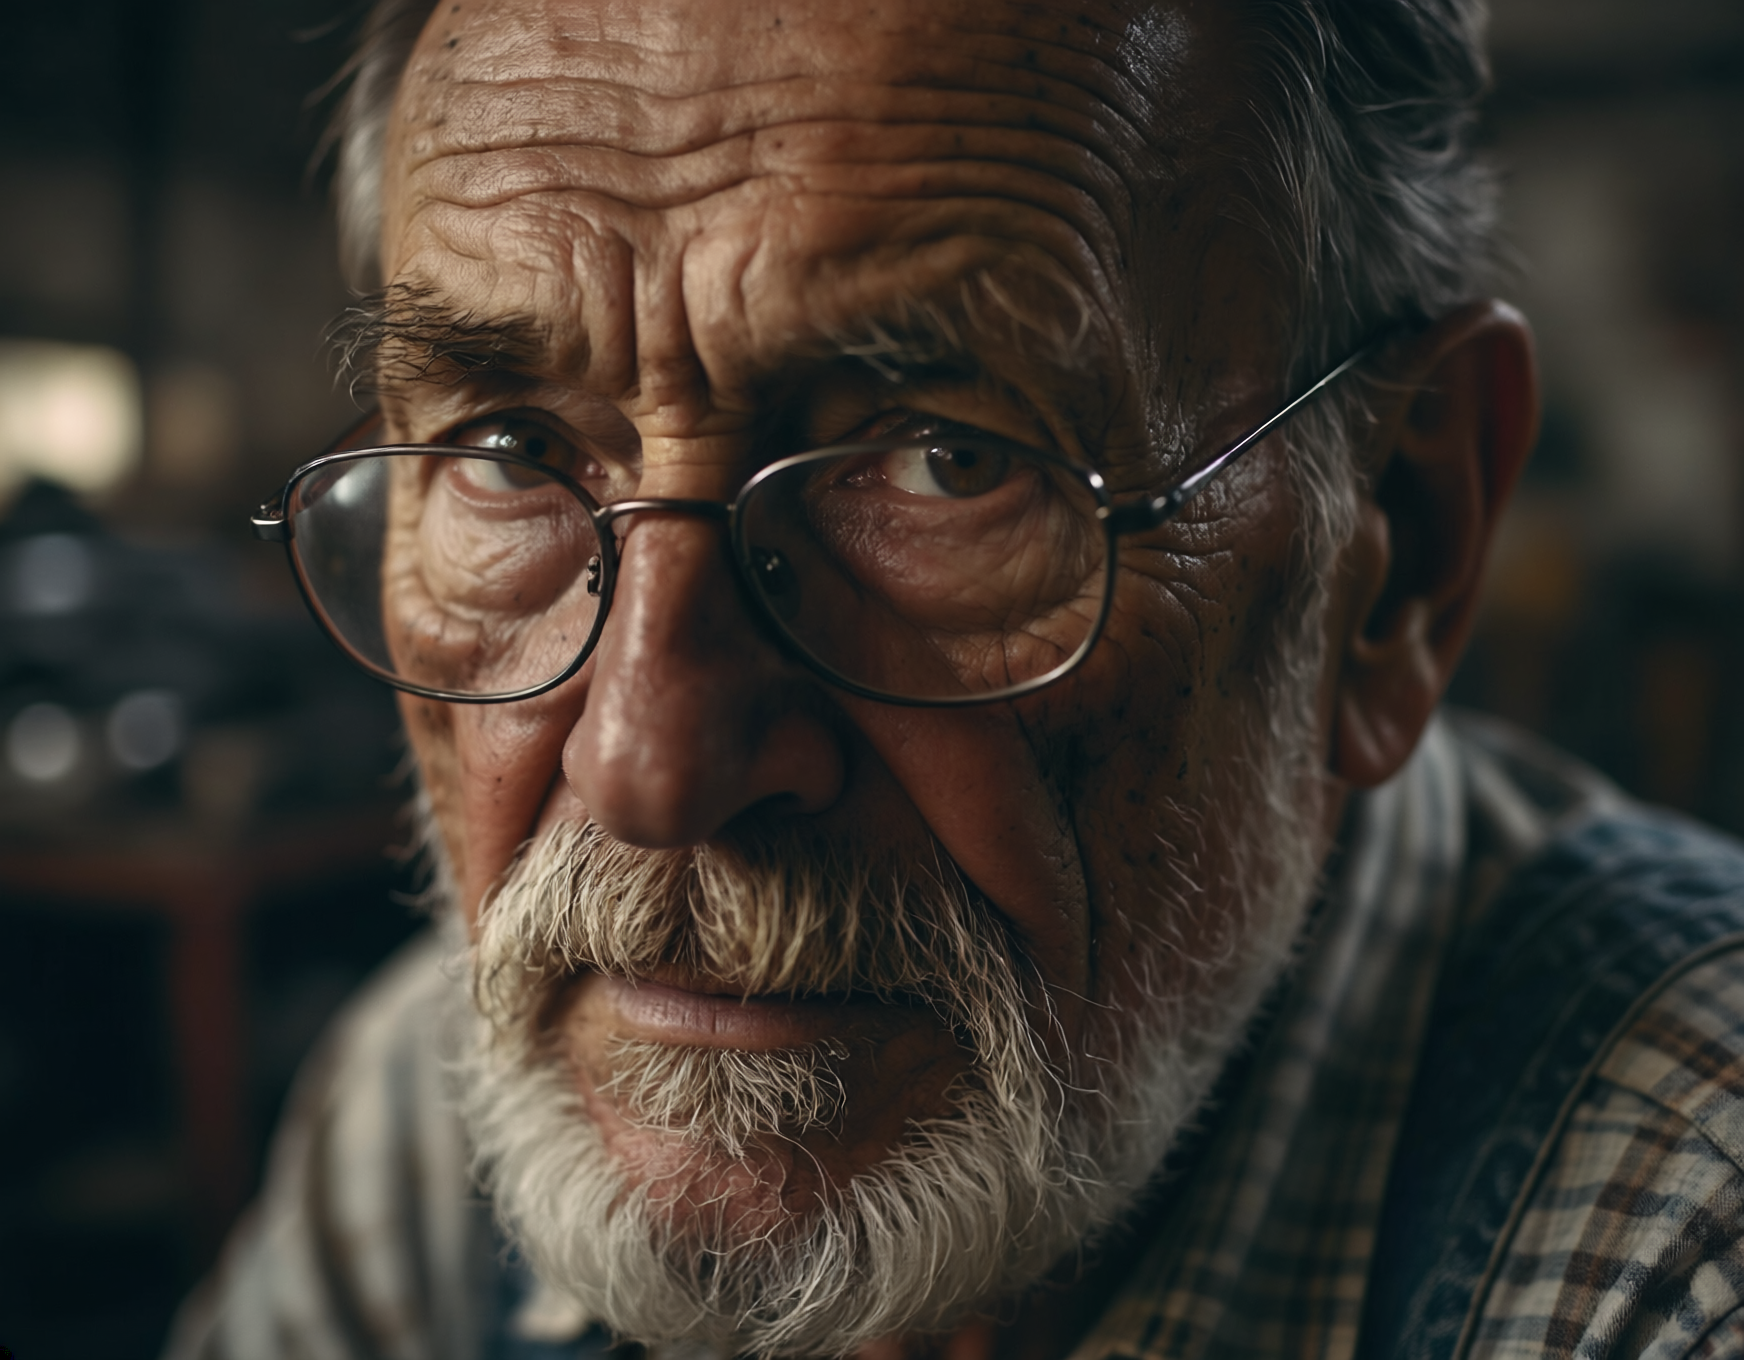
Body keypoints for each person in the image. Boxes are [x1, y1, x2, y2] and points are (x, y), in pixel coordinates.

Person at [166, 1, 1744, 1357]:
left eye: (947, 460)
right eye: (511, 452)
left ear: (1393, 545)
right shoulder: (422, 1124)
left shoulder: (1689, 1243)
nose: (649, 764)